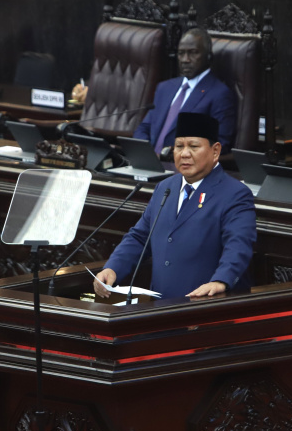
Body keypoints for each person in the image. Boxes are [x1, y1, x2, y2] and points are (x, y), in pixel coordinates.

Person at [94, 112, 256, 300]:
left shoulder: (234, 193)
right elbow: (140, 237)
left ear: (215, 151)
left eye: (193, 146)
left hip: (204, 306)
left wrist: (221, 281)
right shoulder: (166, 187)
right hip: (161, 308)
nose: (184, 153)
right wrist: (113, 267)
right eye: (179, 146)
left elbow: (238, 245)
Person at [134, 28, 236, 154]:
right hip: (150, 165)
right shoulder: (164, 88)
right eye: (181, 53)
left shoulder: (219, 94)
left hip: (182, 167)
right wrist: (147, 155)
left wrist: (175, 153)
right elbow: (144, 128)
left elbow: (219, 143)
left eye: (193, 53)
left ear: (209, 56)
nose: (185, 60)